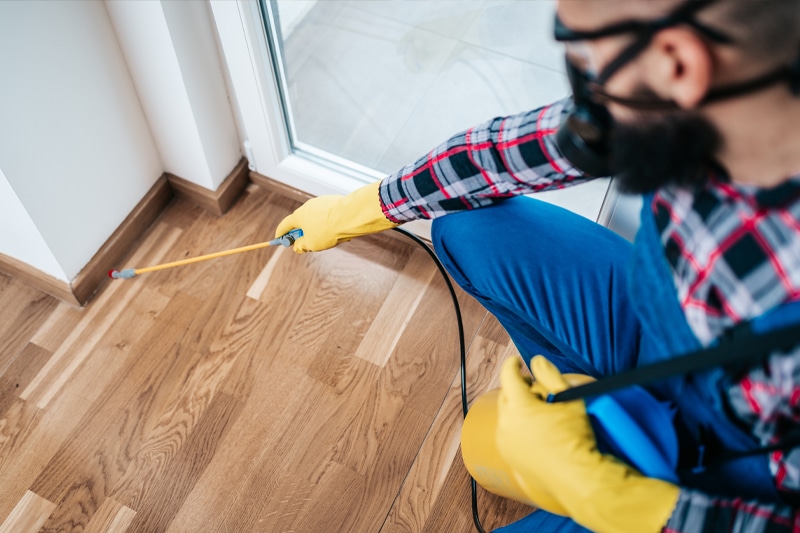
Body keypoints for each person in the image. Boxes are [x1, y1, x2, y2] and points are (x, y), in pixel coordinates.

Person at [274, 0, 800, 531]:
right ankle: (590, 409)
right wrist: (368, 206)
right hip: (662, 335)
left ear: (678, 63)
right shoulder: (714, 106)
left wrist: (623, 503)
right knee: (467, 230)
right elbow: (506, 154)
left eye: (586, 48)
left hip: (735, 476)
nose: (582, 69)